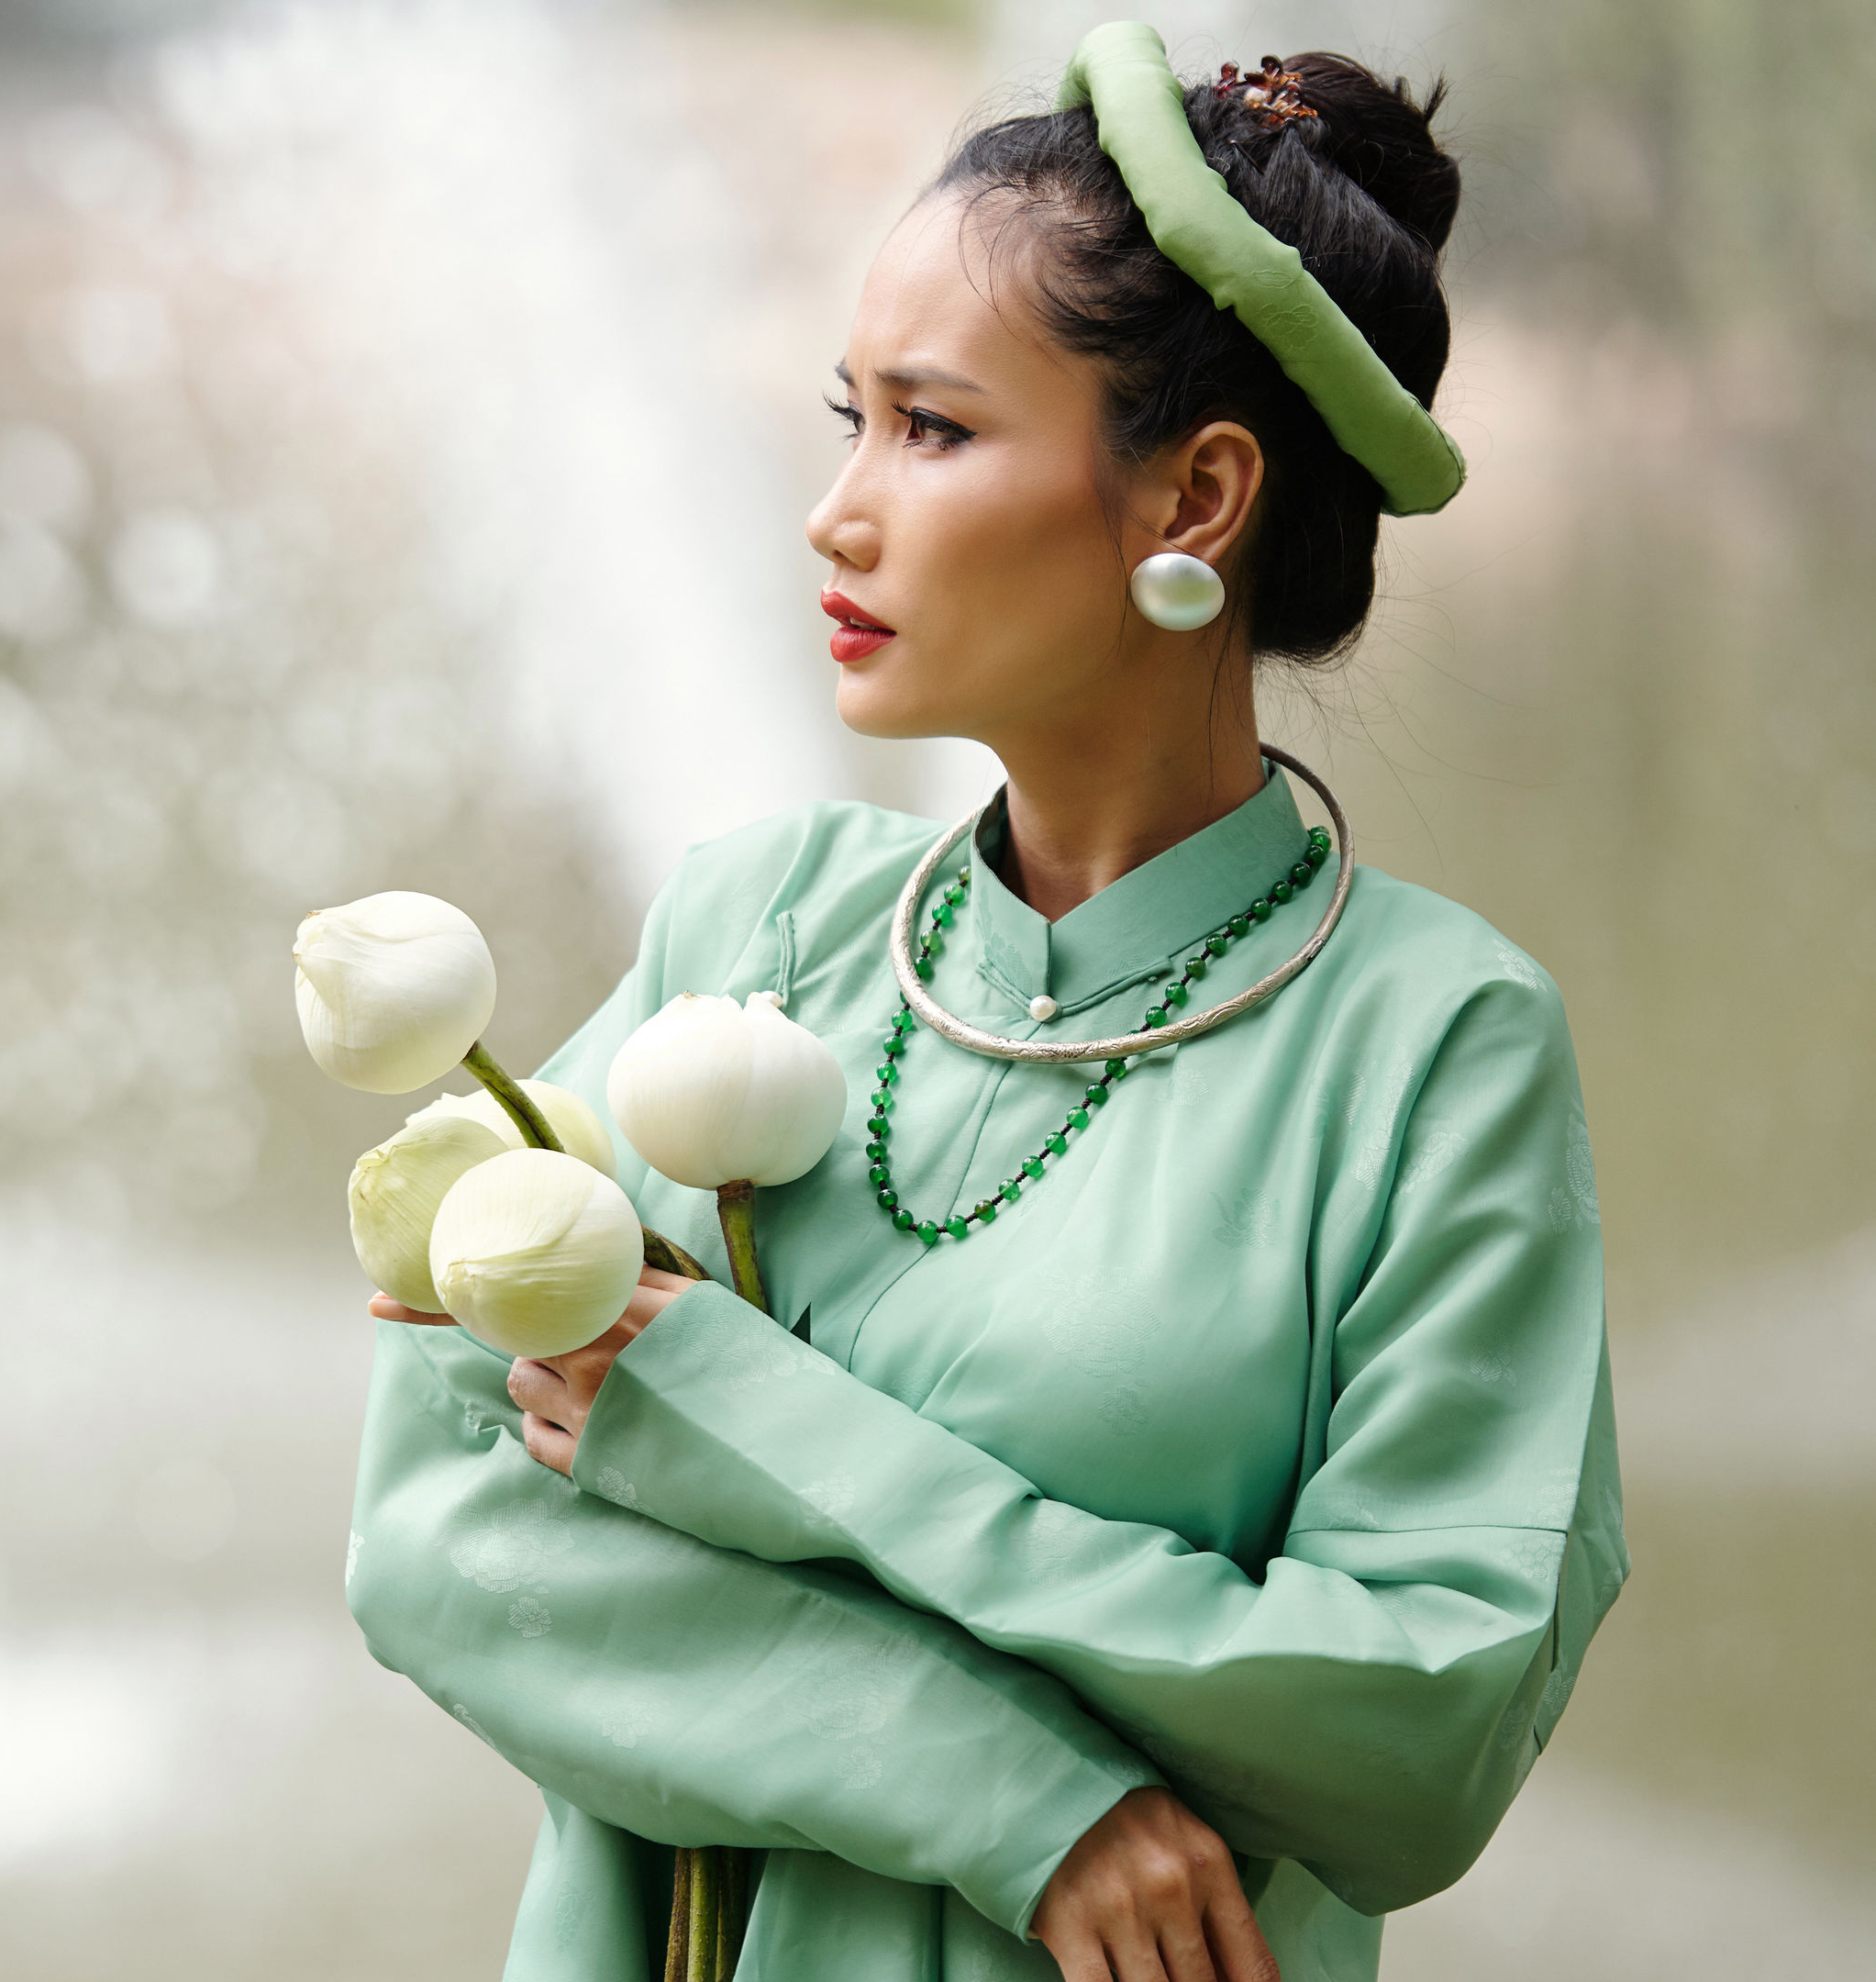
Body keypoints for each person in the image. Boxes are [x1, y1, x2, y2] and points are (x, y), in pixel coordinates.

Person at [342, 25, 1624, 1982]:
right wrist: (1029, 1804)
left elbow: (1414, 1728)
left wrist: (745, 1423)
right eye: (846, 417)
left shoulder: (1433, 1048)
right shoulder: (760, 922)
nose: (837, 512)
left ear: (1193, 499)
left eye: (931, 432)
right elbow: (442, 1530)